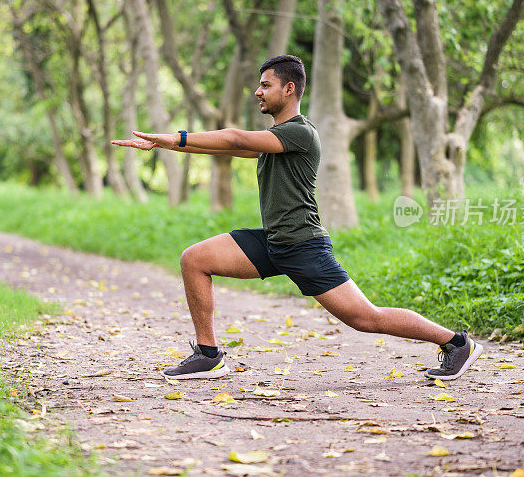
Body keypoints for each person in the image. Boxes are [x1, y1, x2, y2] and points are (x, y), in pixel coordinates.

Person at [112, 55, 482, 382]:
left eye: (265, 85)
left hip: (304, 245)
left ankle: (456, 342)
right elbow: (224, 146)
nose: (258, 91)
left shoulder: (300, 133)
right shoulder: (277, 138)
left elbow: (236, 140)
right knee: (195, 259)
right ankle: (208, 356)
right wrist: (165, 144)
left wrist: (172, 136)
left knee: (365, 318)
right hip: (274, 242)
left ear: (288, 89)